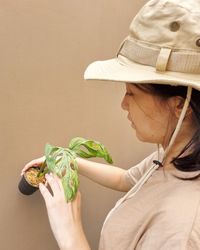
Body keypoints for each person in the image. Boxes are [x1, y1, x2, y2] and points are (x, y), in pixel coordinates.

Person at [21, 0, 200, 249]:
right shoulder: (177, 155)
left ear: (179, 106)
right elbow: (126, 179)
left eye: (133, 94)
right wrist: (71, 160)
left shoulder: (182, 230)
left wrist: (69, 231)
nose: (124, 105)